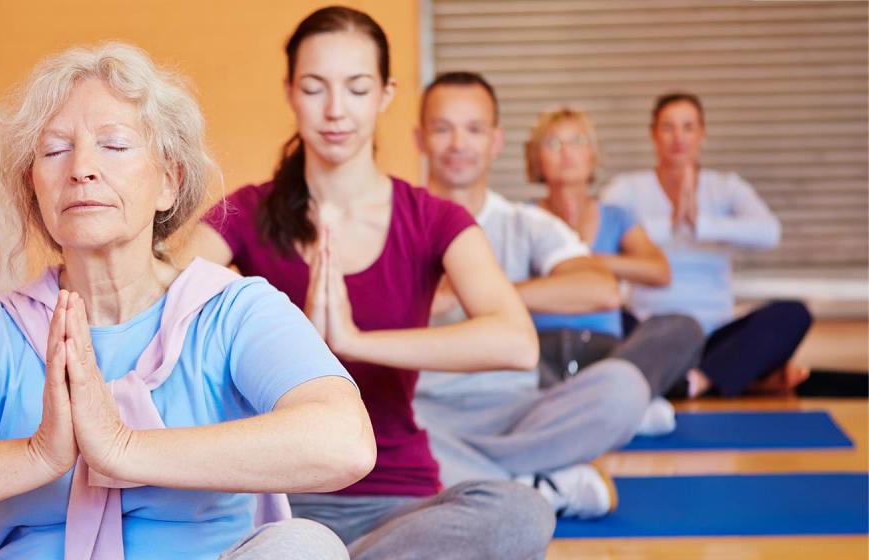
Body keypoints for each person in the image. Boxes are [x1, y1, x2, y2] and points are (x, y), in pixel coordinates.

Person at [0, 43, 373, 560]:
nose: (82, 168)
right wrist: (38, 455)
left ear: (169, 182)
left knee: (306, 546)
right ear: (35, 190)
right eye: (55, 150)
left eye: (113, 145)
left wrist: (125, 449)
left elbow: (343, 442)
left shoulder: (235, 312)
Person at [186, 7, 554, 559]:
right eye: (315, 88)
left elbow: (516, 342)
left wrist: (351, 342)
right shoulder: (247, 212)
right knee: (291, 543)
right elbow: (158, 303)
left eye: (357, 89)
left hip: (398, 496)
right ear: (290, 91)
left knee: (522, 513)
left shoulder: (432, 218)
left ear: (385, 94)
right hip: (279, 495)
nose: (336, 111)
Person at [413, 71, 699, 519]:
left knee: (623, 388)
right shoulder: (390, 223)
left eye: (474, 129)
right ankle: (530, 486)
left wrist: (482, 291)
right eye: (442, 128)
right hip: (424, 414)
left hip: (519, 409)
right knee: (369, 423)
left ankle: (469, 478)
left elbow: (600, 288)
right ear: (420, 138)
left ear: (496, 140)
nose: (457, 144)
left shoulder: (526, 223)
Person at [603, 92, 813, 397]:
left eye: (688, 127)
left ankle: (696, 381)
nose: (679, 137)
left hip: (714, 335)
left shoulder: (726, 187)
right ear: (653, 134)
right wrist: (672, 223)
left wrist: (702, 225)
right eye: (668, 127)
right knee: (606, 318)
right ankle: (733, 378)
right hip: (648, 330)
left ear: (702, 133)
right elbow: (603, 236)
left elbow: (769, 232)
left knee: (793, 313)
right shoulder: (627, 188)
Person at [525, 106, 705, 430]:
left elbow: (659, 271)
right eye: (553, 144)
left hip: (606, 356)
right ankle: (615, 410)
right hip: (538, 354)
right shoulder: (519, 218)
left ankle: (583, 407)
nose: (567, 152)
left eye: (577, 141)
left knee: (684, 327)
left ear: (593, 155)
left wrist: (579, 260)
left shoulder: (617, 217)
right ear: (536, 159)